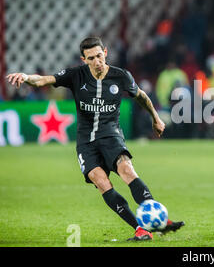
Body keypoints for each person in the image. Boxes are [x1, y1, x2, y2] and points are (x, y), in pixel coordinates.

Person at [6, 37, 184, 241]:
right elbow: (44, 80)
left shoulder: (121, 76)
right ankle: (140, 229)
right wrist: (26, 76)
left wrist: (155, 118)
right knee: (100, 181)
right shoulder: (75, 75)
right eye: (91, 58)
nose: (97, 61)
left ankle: (159, 221)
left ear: (105, 53)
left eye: (99, 56)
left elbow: (141, 96)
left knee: (127, 170)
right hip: (86, 142)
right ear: (84, 59)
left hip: (111, 135)